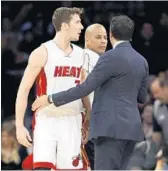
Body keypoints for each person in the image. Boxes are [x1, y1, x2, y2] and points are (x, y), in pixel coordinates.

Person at [32, 15, 149, 170]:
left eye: (104, 37)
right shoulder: (142, 61)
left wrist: (51, 98)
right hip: (132, 129)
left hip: (109, 129)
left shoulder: (108, 58)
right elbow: (142, 97)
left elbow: (85, 88)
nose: (103, 41)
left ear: (111, 34)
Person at [15, 7, 91, 170]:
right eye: (77, 22)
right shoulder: (42, 52)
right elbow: (23, 90)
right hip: (47, 121)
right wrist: (19, 126)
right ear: (64, 25)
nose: (81, 27)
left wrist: (88, 118)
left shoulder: (81, 54)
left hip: (73, 121)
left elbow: (84, 89)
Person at [83, 23, 108, 170]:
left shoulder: (101, 59)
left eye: (105, 37)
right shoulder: (86, 57)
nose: (103, 41)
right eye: (98, 37)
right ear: (87, 39)